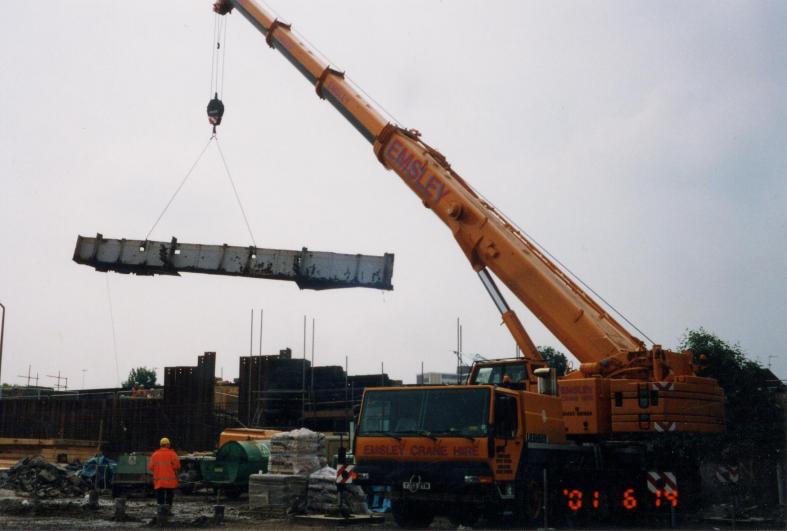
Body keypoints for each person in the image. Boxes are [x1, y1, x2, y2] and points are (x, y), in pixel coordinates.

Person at [148, 437, 180, 511]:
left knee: (160, 496)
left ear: (161, 445)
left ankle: (160, 511)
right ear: (168, 445)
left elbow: (150, 467)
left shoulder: (155, 454)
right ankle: (168, 510)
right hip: (170, 481)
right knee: (169, 496)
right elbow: (177, 466)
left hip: (159, 481)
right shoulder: (173, 454)